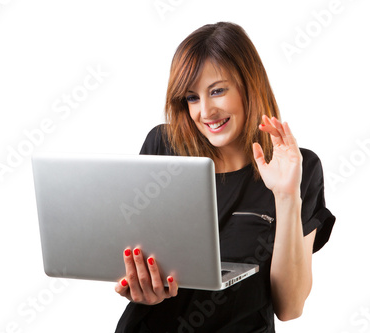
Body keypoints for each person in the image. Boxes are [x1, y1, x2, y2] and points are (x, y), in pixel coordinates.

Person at [114, 21, 335, 332]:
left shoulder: (301, 167)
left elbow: (291, 306)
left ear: (249, 84)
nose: (205, 111)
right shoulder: (163, 147)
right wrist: (140, 286)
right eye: (192, 98)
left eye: (217, 91)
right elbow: (138, 256)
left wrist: (286, 196)